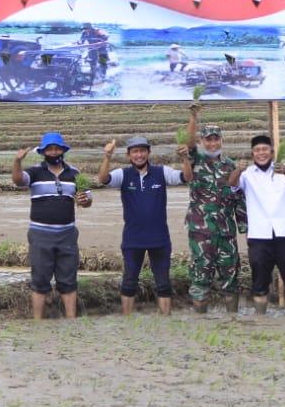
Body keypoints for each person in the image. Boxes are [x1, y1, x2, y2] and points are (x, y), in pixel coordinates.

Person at [97, 135, 187, 315]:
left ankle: (165, 320)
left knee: (163, 282)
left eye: (142, 151)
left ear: (148, 153)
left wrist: (185, 159)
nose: (139, 155)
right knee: (129, 281)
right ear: (129, 155)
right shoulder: (123, 175)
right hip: (133, 238)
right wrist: (107, 156)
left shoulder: (162, 172)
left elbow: (186, 177)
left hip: (159, 238)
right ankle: (127, 320)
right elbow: (102, 179)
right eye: (135, 151)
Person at [12, 132, 91, 319]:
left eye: (57, 148)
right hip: (40, 234)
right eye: (50, 149)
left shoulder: (75, 173)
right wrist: (17, 161)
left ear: (63, 150)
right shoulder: (34, 172)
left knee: (68, 279)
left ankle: (72, 320)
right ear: (43, 152)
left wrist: (84, 200)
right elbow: (17, 181)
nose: (54, 152)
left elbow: (88, 200)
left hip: (67, 234)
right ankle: (38, 321)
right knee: (39, 279)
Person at [228, 134, 285, 313]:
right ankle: (260, 317)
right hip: (259, 235)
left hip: (284, 233)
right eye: (257, 150)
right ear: (253, 154)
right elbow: (231, 184)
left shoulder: (283, 169)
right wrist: (237, 170)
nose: (261, 153)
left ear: (271, 151)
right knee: (260, 281)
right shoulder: (247, 174)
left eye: (264, 149)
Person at [179, 109, 244, 313]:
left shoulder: (231, 166)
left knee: (231, 278)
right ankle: (201, 325)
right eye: (208, 140)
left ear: (221, 141)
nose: (212, 143)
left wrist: (245, 227)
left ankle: (232, 322)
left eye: (216, 139)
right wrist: (194, 117)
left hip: (226, 233)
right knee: (200, 279)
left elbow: (238, 198)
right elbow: (188, 144)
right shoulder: (196, 159)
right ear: (202, 141)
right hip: (201, 233)